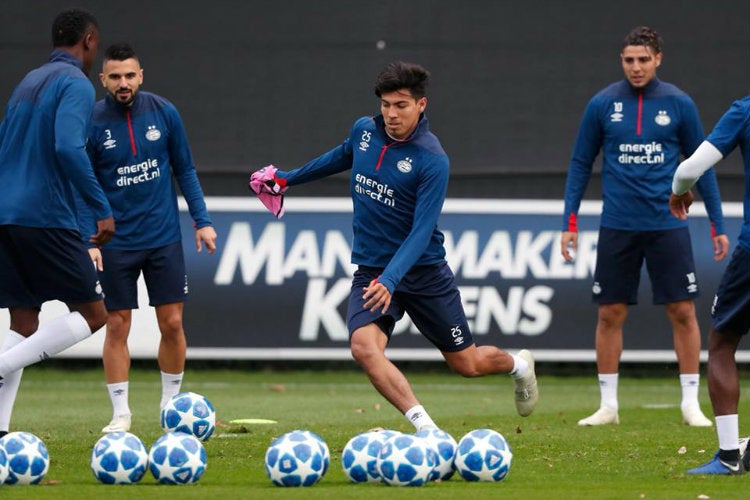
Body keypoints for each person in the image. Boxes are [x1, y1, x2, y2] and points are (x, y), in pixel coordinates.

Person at [249, 61, 538, 432]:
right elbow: (340, 155)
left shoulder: (432, 160)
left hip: (423, 273)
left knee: (467, 365)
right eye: (386, 104)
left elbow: (421, 232)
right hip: (372, 271)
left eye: (400, 105)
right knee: (364, 348)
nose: (390, 114)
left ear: (421, 105)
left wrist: (392, 279)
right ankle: (427, 430)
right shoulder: (364, 131)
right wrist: (287, 180)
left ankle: (519, 366)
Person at [560, 26, 729, 427]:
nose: (636, 67)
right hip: (618, 224)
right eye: (628, 60)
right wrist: (569, 221)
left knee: (683, 311)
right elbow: (581, 163)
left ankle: (690, 404)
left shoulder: (679, 103)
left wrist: (717, 223)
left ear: (657, 59)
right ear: (622, 61)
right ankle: (608, 406)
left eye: (643, 59)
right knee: (610, 313)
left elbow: (700, 162)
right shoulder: (602, 104)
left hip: (667, 225)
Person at [78, 43, 217, 433]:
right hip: (115, 242)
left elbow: (185, 170)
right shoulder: (90, 121)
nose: (123, 83)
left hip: (162, 238)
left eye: (129, 75)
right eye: (115, 77)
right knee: (117, 324)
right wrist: (89, 239)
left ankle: (169, 405)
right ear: (103, 79)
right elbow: (82, 184)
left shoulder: (163, 112)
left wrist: (201, 220)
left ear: (141, 76)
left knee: (172, 322)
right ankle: (121, 413)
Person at [0, 9, 114, 438]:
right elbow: (68, 148)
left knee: (24, 324)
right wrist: (99, 206)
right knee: (93, 314)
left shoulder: (28, 81)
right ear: (88, 40)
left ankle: (0, 435)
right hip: (44, 215)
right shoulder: (75, 84)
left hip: (6, 213)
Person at [672, 96, 750, 474]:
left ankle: (729, 457)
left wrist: (678, 189)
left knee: (721, 343)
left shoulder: (745, 109)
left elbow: (691, 168)